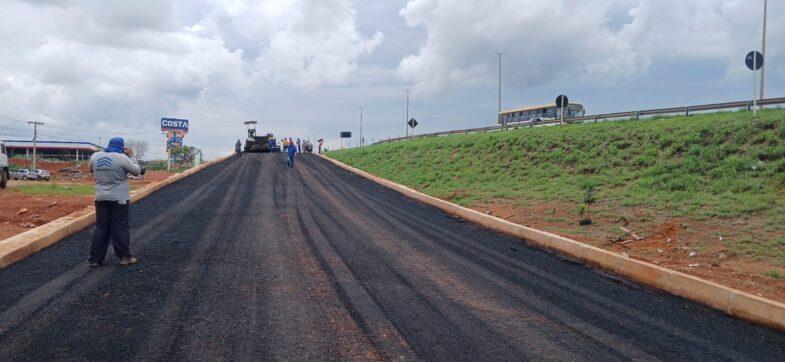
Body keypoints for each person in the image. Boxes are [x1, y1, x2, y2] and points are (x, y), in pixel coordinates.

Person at [88, 137, 144, 267]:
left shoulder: (95, 156)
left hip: (100, 198)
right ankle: (124, 257)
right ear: (121, 146)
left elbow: (91, 169)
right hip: (120, 199)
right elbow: (137, 171)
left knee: (101, 227)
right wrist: (131, 156)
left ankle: (95, 259)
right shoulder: (122, 158)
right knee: (120, 227)